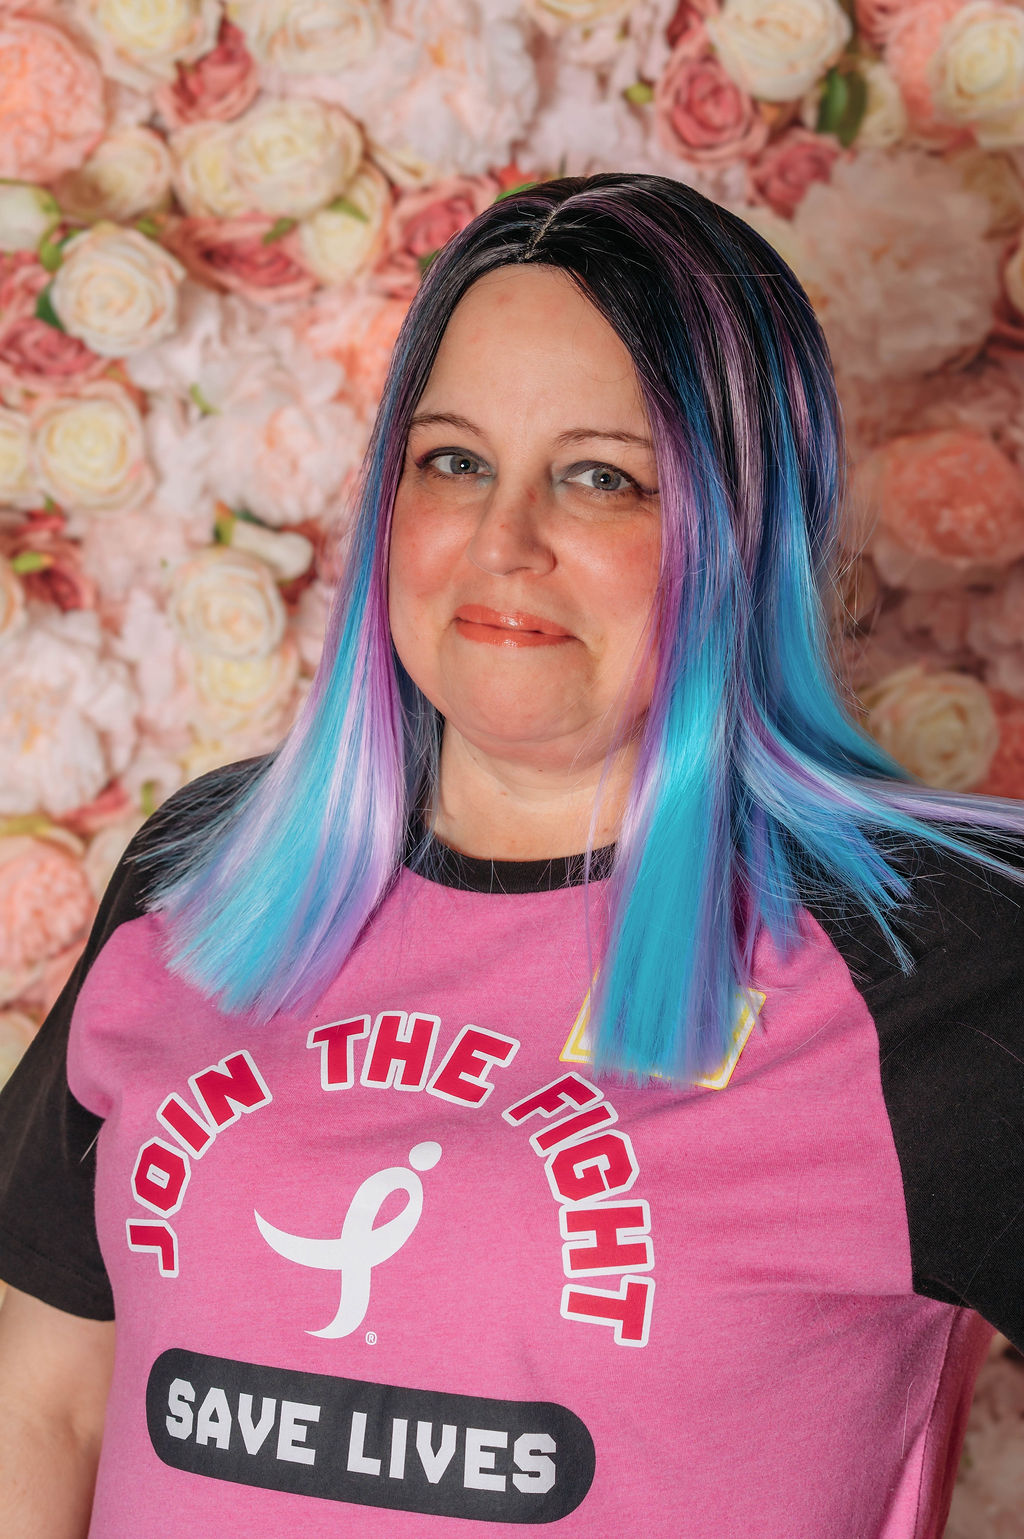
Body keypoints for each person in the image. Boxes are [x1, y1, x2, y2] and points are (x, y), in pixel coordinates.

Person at [0, 172, 1022, 1539]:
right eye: (454, 461)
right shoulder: (206, 870)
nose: (504, 542)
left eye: (602, 477)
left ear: (743, 528)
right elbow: (47, 1406)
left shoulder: (934, 952)